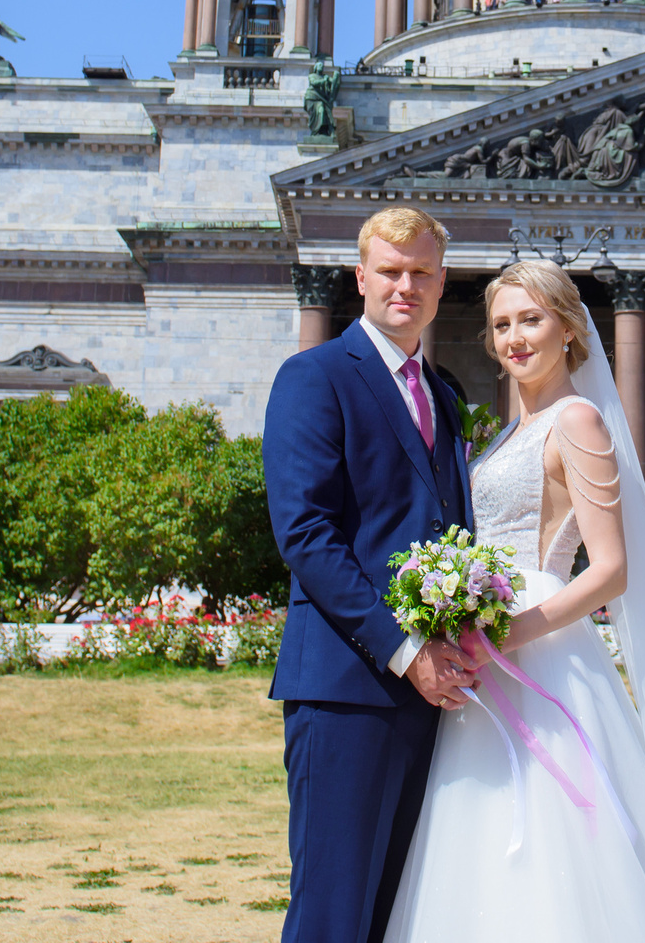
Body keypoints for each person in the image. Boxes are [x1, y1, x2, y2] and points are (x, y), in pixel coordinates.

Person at [385, 259, 645, 943]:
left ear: (568, 327)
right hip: (488, 642)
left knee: (560, 835)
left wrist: (508, 633)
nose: (515, 337)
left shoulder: (577, 419)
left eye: (531, 319)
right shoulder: (513, 430)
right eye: (501, 325)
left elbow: (609, 569)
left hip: (540, 644)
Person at [264, 207, 476, 943]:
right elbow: (306, 536)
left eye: (421, 273)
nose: (405, 286)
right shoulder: (314, 376)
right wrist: (407, 649)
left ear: (442, 283)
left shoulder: (443, 394)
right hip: (347, 690)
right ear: (360, 277)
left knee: (396, 914)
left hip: (434, 697)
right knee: (332, 913)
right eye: (390, 271)